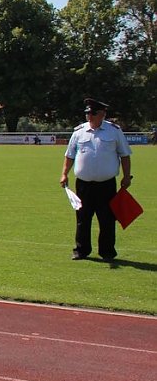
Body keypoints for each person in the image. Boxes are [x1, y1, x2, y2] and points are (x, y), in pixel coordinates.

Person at [60, 98, 133, 260]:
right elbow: (69, 155)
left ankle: (107, 252)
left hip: (106, 185)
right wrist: (64, 173)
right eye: (87, 113)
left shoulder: (114, 131)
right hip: (83, 185)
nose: (89, 116)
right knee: (82, 219)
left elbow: (125, 155)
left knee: (107, 219)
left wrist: (126, 177)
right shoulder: (79, 132)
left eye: (93, 113)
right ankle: (81, 250)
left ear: (102, 114)